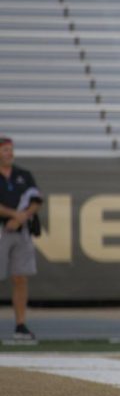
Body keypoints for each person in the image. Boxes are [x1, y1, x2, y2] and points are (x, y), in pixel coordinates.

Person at [0, 137, 40, 341]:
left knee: (20, 277)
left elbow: (36, 201)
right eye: (5, 150)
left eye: (10, 150)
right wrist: (13, 215)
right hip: (1, 229)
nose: (9, 153)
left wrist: (20, 218)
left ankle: (20, 325)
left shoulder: (23, 175)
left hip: (20, 230)